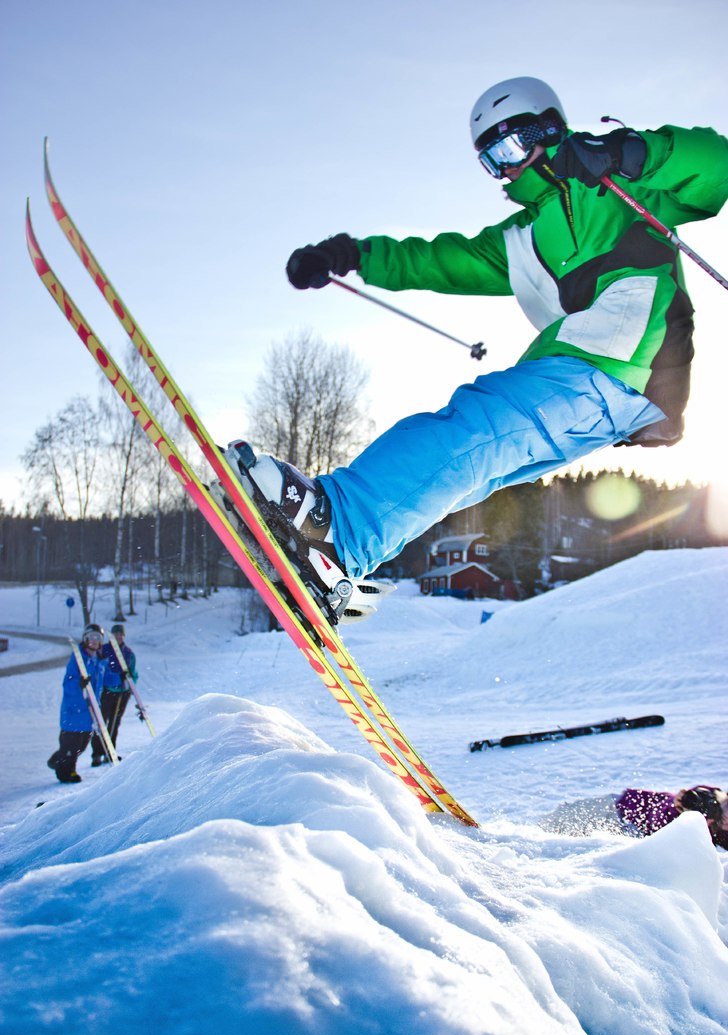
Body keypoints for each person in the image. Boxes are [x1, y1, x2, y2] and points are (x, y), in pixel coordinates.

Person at [218, 76, 728, 621]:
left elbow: (716, 165)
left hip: (623, 358)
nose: (504, 170)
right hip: (596, 377)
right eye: (490, 160)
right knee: (468, 467)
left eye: (508, 149)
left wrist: (630, 153)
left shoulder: (626, 185)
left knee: (474, 427)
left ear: (547, 129)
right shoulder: (521, 236)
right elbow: (439, 259)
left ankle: (337, 526)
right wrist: (350, 255)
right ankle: (340, 560)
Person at [540, 785, 728, 849]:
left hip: (624, 834)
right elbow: (662, 814)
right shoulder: (708, 797)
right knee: (543, 830)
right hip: (615, 809)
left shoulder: (717, 833)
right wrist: (682, 810)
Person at [47, 623, 107, 784]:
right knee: (71, 746)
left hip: (89, 713)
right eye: (91, 637)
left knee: (82, 746)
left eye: (98, 638)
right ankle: (65, 773)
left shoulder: (98, 661)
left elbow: (98, 686)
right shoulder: (79, 659)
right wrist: (78, 684)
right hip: (74, 711)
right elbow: (68, 682)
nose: (94, 641)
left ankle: (59, 758)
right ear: (85, 639)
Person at [91, 623, 138, 766]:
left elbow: (133, 673)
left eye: (121, 634)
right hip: (106, 692)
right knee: (101, 721)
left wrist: (129, 678)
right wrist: (117, 677)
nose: (119, 637)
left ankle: (110, 751)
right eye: (116, 634)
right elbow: (100, 671)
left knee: (114, 723)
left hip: (122, 694)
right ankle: (97, 753)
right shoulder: (104, 651)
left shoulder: (128, 653)